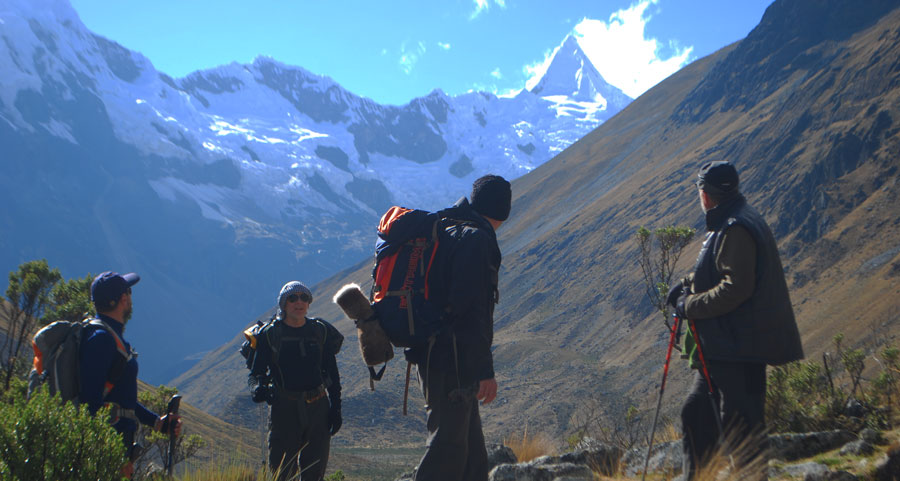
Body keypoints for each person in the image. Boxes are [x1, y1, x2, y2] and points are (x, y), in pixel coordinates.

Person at [667, 161, 803, 480]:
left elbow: (736, 288)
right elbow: (723, 270)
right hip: (725, 349)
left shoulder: (735, 228)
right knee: (697, 415)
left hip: (738, 351)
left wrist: (689, 305)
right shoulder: (735, 220)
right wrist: (688, 283)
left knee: (742, 431)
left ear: (706, 194)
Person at [406, 174, 511, 481]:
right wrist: (484, 370)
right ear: (502, 209)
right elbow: (470, 310)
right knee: (448, 448)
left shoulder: (449, 229)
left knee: (471, 454)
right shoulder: (475, 240)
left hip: (434, 353)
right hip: (451, 359)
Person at [79, 271, 183, 479]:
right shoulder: (101, 339)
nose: (130, 298)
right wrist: (112, 457)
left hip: (116, 448)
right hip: (107, 455)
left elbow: (120, 398)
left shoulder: (109, 337)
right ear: (123, 299)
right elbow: (90, 404)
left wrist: (157, 422)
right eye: (129, 292)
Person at [247, 281, 343, 481]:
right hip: (284, 409)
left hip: (319, 409)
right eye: (292, 298)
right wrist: (257, 389)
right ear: (284, 304)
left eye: (304, 298)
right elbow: (256, 373)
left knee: (315, 473)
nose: (299, 302)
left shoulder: (319, 331)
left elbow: (332, 373)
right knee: (282, 473)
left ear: (309, 303)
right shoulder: (270, 334)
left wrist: (336, 408)